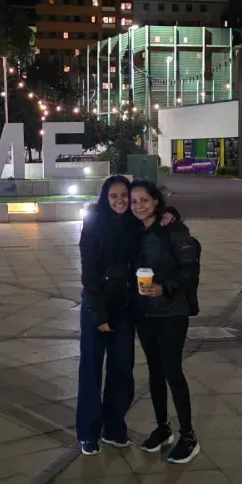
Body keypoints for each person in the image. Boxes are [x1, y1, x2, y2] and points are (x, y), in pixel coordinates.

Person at [76, 175, 176, 456]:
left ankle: (114, 428)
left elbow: (157, 214)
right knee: (92, 370)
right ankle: (88, 432)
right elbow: (89, 273)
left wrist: (170, 213)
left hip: (126, 308)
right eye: (114, 196)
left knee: (122, 371)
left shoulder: (134, 223)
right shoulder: (94, 223)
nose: (121, 201)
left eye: (125, 196)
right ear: (105, 198)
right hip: (98, 306)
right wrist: (99, 314)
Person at [129, 178, 201, 464]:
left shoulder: (174, 229)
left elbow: (190, 270)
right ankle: (163, 428)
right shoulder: (133, 230)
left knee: (172, 370)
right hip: (145, 312)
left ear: (156, 201)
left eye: (144, 200)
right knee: (155, 372)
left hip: (172, 310)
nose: (138, 206)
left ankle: (189, 436)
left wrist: (163, 288)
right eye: (134, 201)